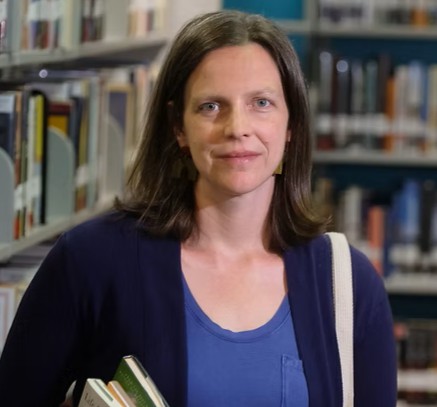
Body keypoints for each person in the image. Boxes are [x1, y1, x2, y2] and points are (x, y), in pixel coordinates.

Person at [0, 9, 397, 407]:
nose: (237, 127)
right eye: (211, 106)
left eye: (261, 102)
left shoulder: (347, 284)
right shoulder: (90, 261)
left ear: (290, 124)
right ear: (178, 127)